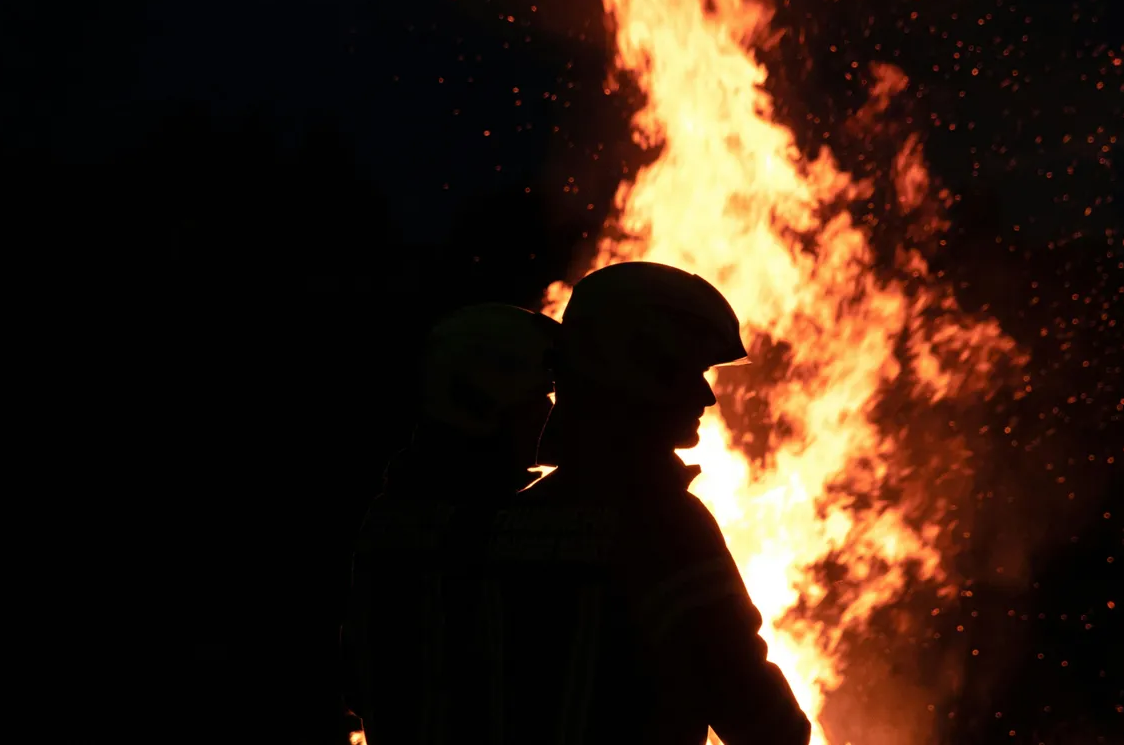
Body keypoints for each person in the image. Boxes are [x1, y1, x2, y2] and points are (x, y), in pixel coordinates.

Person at [483, 262, 812, 745]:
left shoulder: (513, 519)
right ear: (637, 366)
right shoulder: (665, 527)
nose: (706, 396)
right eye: (692, 371)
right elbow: (753, 708)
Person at [341, 303, 559, 745]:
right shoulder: (493, 528)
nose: (550, 413)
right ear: (480, 402)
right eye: (540, 397)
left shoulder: (394, 514)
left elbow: (358, 682)